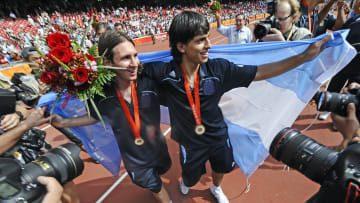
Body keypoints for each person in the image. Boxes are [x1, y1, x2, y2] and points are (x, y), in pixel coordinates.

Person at [143, 11, 330, 203]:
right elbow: (129, 71)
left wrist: (304, 57)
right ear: (181, 46)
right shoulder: (161, 72)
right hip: (187, 139)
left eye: (208, 38)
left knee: (221, 167)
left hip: (217, 135)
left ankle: (216, 188)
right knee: (190, 176)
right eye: (200, 40)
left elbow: (260, 72)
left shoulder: (219, 70)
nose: (209, 45)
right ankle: (188, 181)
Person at [51, 31, 172, 203]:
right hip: (134, 158)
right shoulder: (100, 94)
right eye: (125, 58)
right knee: (156, 186)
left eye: (135, 55)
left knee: (160, 174)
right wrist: (64, 122)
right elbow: (95, 116)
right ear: (108, 62)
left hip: (158, 147)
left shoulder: (149, 80)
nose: (134, 63)